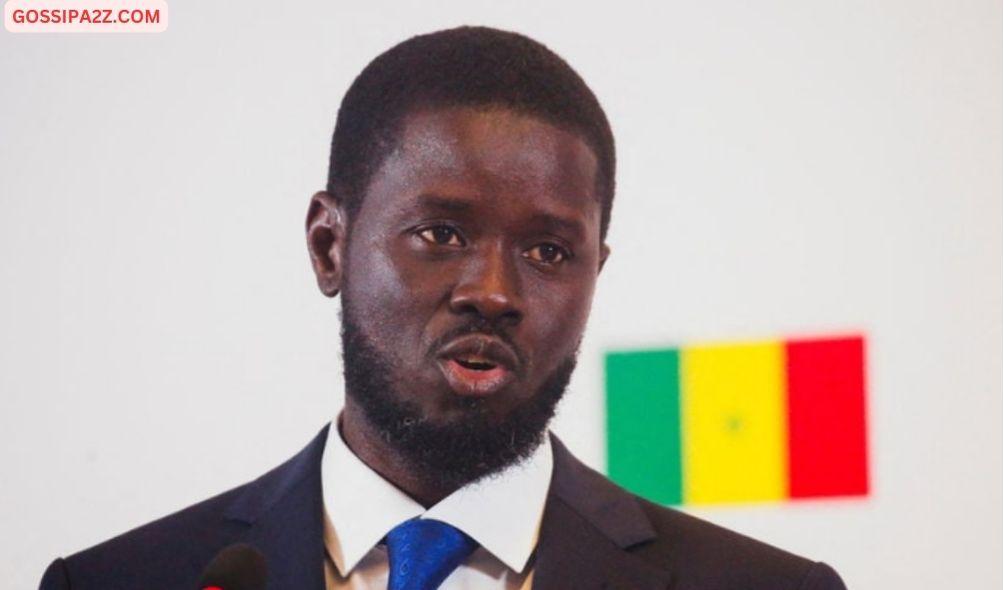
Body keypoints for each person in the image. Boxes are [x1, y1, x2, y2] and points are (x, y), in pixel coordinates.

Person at [39, 26, 847, 590]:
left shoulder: (762, 587)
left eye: (548, 252)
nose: (493, 292)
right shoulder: (124, 581)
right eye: (440, 232)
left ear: (595, 273)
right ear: (329, 246)